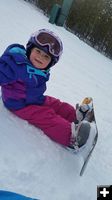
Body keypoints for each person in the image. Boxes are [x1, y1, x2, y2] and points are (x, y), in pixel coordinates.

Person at [0, 29, 92, 151]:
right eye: (38, 51)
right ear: (29, 49)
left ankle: (77, 117)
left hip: (35, 98)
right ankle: (72, 138)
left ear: (50, 63)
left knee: (57, 105)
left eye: (46, 57)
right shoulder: (16, 64)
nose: (40, 57)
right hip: (19, 104)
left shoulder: (40, 69)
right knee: (47, 117)